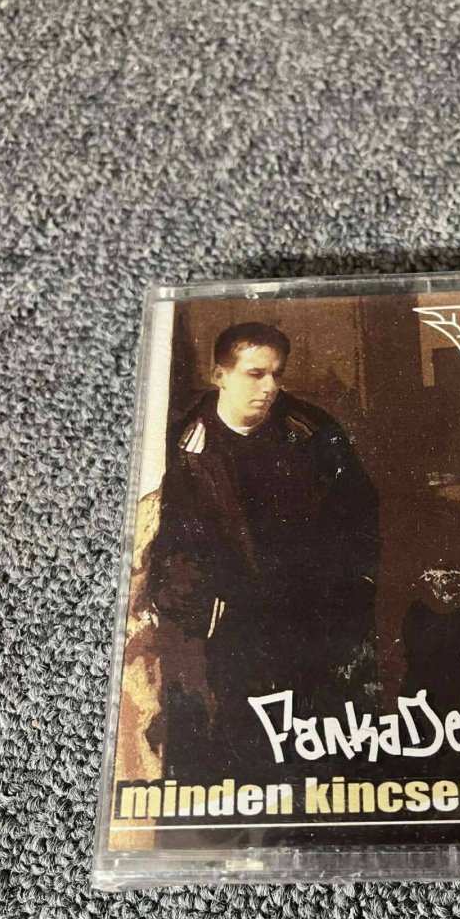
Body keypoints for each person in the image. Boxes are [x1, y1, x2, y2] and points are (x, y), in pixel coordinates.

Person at [147, 322, 380, 776]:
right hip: (234, 621)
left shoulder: (311, 430)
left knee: (325, 743)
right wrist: (202, 609)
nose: (270, 387)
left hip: (314, 611)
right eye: (255, 374)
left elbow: (360, 507)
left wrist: (354, 585)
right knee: (246, 746)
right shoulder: (183, 447)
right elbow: (166, 540)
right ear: (219, 375)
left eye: (277, 374)